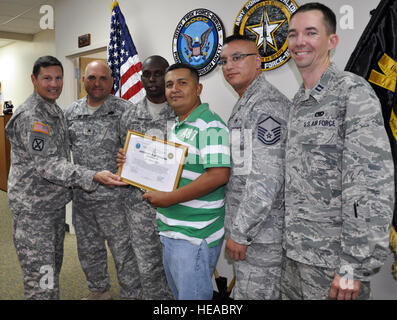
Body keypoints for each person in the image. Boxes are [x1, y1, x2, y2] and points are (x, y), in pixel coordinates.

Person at [282, 2, 394, 300]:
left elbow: (370, 184)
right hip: (295, 256)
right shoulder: (298, 101)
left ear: (332, 41)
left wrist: (353, 265)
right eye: (293, 34)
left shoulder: (352, 92)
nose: (299, 41)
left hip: (334, 263)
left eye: (311, 33)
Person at [5, 56, 126, 300]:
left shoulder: (54, 110)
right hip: (34, 212)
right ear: (34, 80)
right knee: (41, 280)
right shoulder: (32, 117)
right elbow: (47, 165)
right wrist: (93, 175)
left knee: (49, 271)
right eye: (47, 78)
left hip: (52, 208)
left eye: (58, 78)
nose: (54, 84)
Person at [139, 63, 230, 300]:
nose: (174, 89)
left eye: (182, 83)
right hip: (172, 229)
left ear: (198, 88)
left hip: (193, 235)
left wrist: (168, 199)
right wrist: (133, 163)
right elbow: (174, 173)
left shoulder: (211, 125)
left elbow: (218, 175)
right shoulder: (179, 126)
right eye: (169, 84)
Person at [219, 34, 291, 300]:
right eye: (224, 61)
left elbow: (267, 177)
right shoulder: (247, 102)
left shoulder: (266, 105)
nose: (229, 66)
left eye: (238, 58)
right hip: (254, 232)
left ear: (258, 61)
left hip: (262, 235)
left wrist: (241, 233)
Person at [65, 60, 141, 300]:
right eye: (91, 78)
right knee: (89, 249)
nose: (97, 83)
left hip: (116, 200)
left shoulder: (126, 110)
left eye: (103, 78)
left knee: (123, 252)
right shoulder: (70, 113)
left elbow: (140, 152)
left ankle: (131, 295)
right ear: (83, 80)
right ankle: (99, 290)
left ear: (112, 81)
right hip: (83, 197)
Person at [118, 55, 174, 299]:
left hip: (175, 205)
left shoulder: (182, 112)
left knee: (175, 267)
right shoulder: (130, 115)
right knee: (148, 267)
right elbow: (124, 154)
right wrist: (123, 161)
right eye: (147, 74)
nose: (152, 80)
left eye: (158, 74)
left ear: (167, 75)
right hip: (139, 207)